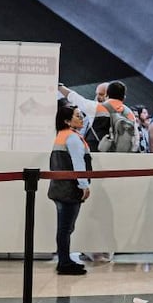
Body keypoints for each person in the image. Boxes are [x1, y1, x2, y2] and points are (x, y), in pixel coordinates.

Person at [47, 104, 92, 276]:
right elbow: (78, 163)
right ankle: (64, 263)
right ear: (67, 121)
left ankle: (64, 260)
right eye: (78, 116)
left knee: (64, 228)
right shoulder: (72, 138)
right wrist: (84, 185)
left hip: (59, 188)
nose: (82, 118)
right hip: (69, 190)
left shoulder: (62, 135)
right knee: (66, 228)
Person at [58, 82, 108, 150]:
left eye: (101, 94)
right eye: (97, 94)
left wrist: (59, 87)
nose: (98, 97)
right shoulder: (89, 116)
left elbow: (75, 98)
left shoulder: (98, 108)